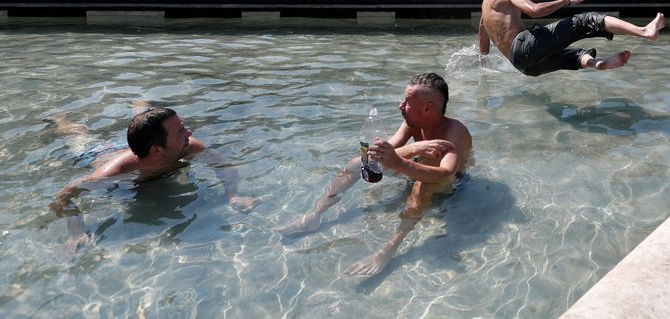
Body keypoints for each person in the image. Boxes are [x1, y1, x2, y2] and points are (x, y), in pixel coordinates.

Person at [276, 73, 472, 276]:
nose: (400, 105)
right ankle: (315, 214)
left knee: (422, 185)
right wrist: (415, 148)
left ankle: (388, 250)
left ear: (427, 108)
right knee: (352, 167)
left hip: (449, 184)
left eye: (407, 102)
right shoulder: (411, 124)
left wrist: (398, 160)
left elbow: (445, 173)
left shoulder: (453, 130)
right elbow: (371, 160)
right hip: (414, 167)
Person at [51, 107, 255, 256]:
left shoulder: (189, 146)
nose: (190, 134)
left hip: (142, 146)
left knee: (148, 121)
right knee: (78, 137)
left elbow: (222, 166)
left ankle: (140, 106)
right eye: (181, 131)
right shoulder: (112, 173)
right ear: (157, 150)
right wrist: (75, 231)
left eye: (184, 127)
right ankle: (59, 119)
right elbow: (64, 197)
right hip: (99, 155)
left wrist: (233, 195)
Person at [478, 0, 664, 76]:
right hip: (525, 46)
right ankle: (644, 31)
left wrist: (484, 64)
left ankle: (597, 63)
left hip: (522, 66)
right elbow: (534, 10)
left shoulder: (486, 2)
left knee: (572, 55)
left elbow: (483, 38)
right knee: (585, 21)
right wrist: (564, 1)